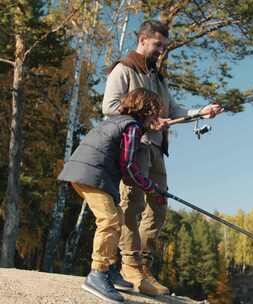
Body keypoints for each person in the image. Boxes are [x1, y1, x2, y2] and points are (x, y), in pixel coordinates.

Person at [102, 20, 223, 296]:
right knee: (131, 207)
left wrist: (199, 111)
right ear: (143, 40)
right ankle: (129, 269)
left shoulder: (157, 77)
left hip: (157, 152)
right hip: (134, 149)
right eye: (158, 45)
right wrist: (147, 120)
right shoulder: (124, 69)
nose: (161, 51)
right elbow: (109, 107)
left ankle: (144, 268)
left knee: (157, 209)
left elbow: (172, 107)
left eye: (164, 47)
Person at [58, 88, 166, 303]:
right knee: (110, 220)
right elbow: (128, 166)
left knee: (116, 216)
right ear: (146, 110)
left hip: (85, 173)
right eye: (155, 112)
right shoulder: (132, 127)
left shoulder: (117, 120)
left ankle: (108, 269)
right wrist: (150, 186)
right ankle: (97, 273)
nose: (156, 117)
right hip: (91, 174)